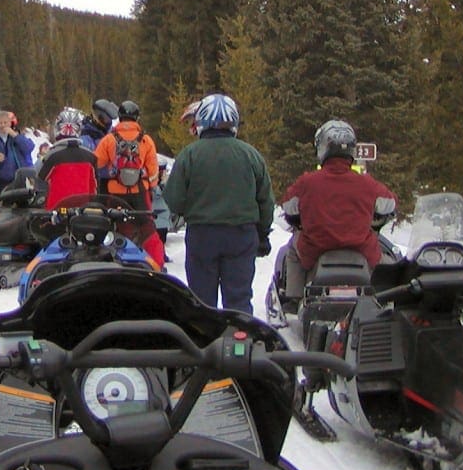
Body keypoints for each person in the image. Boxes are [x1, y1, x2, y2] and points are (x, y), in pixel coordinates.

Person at [163, 93, 274, 312]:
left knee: (202, 301)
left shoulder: (189, 155)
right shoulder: (251, 155)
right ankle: (240, 338)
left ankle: (205, 341)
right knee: (239, 300)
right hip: (241, 235)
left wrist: (191, 211)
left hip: (202, 235)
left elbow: (173, 200)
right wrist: (262, 233)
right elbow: (266, 201)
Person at [277, 120, 398, 303]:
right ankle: (388, 301)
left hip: (316, 249)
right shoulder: (367, 183)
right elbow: (390, 203)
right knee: (392, 265)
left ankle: (294, 298)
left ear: (323, 147)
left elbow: (287, 205)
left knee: (292, 249)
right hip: (361, 249)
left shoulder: (307, 182)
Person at [94, 100, 164, 268]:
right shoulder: (146, 140)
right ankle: (156, 263)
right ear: (137, 118)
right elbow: (153, 171)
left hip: (114, 194)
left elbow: (96, 163)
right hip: (139, 193)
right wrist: (151, 186)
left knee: (114, 228)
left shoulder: (109, 139)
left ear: (120, 117)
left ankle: (113, 263)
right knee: (147, 229)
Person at [37, 108, 98, 209]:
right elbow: (94, 188)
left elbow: (39, 180)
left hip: (55, 212)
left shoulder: (52, 156)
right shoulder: (90, 157)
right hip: (82, 213)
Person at [0, 110, 36, 196]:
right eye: (0, 123)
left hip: (19, 182)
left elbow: (29, 148)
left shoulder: (18, 139)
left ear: (10, 123)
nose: (3, 125)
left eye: (5, 122)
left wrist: (15, 135)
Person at [81, 98, 119, 193]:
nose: (108, 122)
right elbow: (91, 163)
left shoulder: (112, 133)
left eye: (109, 119)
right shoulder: (86, 137)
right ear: (97, 117)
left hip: (113, 182)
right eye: (106, 119)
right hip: (95, 182)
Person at [151, 158, 172, 262]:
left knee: (162, 238)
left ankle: (162, 254)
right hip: (156, 215)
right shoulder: (153, 183)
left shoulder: (165, 183)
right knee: (157, 238)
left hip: (162, 216)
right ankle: (159, 255)